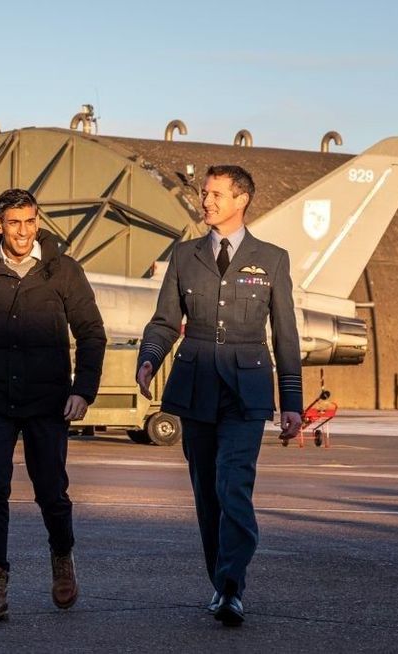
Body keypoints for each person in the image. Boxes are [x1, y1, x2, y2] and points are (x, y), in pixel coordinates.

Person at [135, 165, 303, 627]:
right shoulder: (185, 255)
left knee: (234, 487)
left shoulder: (271, 258)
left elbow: (285, 334)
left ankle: (232, 587)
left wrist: (291, 400)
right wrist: (149, 357)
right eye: (206, 194)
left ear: (241, 199)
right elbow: (165, 320)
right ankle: (220, 584)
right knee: (207, 495)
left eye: (215, 194)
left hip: (246, 391)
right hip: (196, 386)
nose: (206, 201)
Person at [0, 188, 106, 623]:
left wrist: (82, 390)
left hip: (48, 401)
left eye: (30, 221)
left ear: (39, 222)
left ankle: (62, 558)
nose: (23, 230)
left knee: (51, 491)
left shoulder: (63, 271)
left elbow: (91, 332)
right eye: (14, 222)